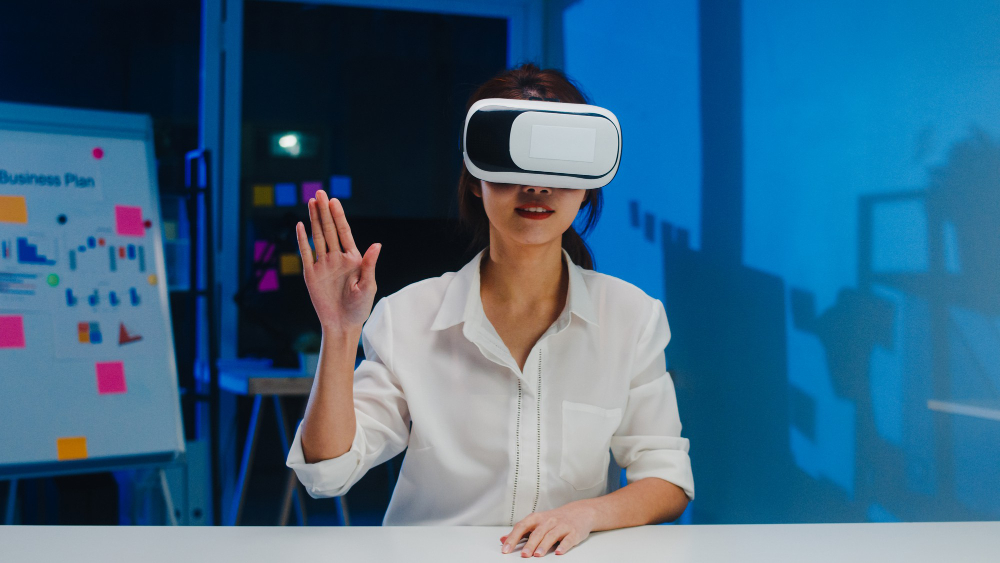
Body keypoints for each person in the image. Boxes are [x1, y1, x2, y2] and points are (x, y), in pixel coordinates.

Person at [286, 63, 693, 557]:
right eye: (512, 164)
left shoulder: (631, 317)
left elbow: (666, 478)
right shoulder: (407, 317)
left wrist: (586, 513)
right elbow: (327, 473)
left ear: (587, 184)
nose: (536, 187)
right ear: (477, 180)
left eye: (556, 166)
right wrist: (338, 330)